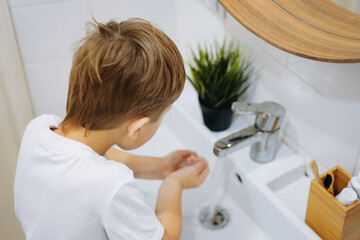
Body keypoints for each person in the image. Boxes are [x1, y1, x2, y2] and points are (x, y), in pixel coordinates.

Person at [14, 18, 209, 240]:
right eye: (161, 117)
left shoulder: (39, 129)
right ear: (138, 127)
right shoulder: (112, 187)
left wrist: (159, 167)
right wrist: (174, 183)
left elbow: (87, 160)